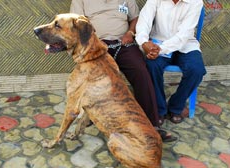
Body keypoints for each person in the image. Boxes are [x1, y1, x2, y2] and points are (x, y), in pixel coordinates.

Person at [70, 0, 176, 142]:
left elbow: (136, 18)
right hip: (96, 44)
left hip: (124, 43)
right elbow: (74, 25)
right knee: (98, 76)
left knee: (141, 71)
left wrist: (130, 33)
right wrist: (92, 41)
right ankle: (94, 116)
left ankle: (152, 125)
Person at [136, 0, 207, 125]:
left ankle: (176, 106)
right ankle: (159, 109)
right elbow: (144, 21)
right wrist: (144, 42)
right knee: (151, 65)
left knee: (197, 70)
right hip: (158, 41)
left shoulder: (195, 2)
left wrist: (161, 49)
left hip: (185, 44)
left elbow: (184, 34)